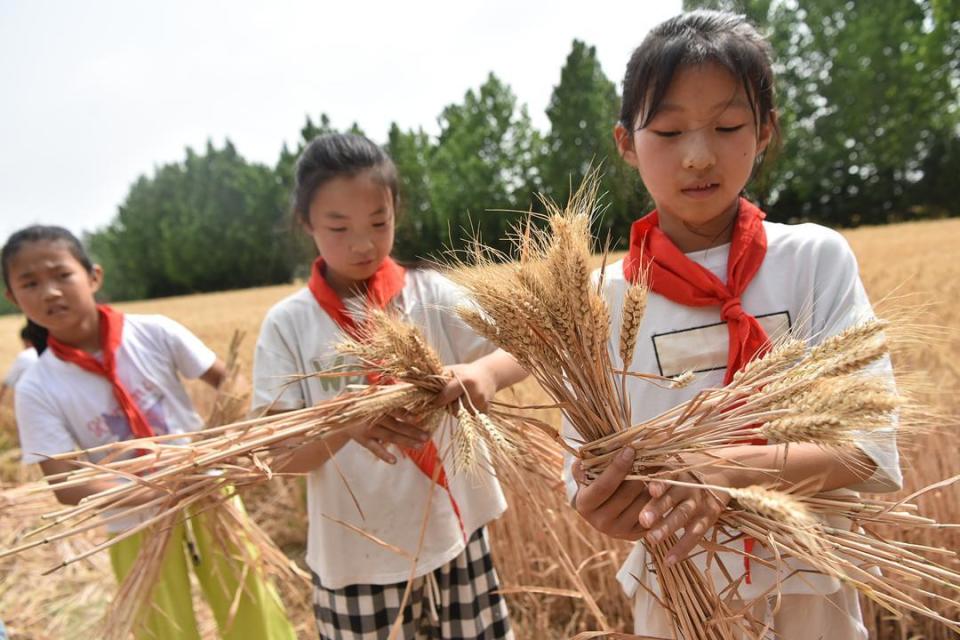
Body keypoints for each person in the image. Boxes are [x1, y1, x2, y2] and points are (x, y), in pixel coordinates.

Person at [566, 10, 902, 639]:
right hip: (678, 596)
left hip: (813, 589)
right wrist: (601, 503)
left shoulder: (813, 261)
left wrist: (727, 469)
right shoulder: (599, 299)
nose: (698, 156)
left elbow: (867, 448)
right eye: (669, 131)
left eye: (726, 127)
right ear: (626, 143)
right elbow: (583, 471)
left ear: (765, 129)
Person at [252, 132, 526, 640]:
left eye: (379, 223)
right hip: (356, 557)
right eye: (339, 227)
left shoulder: (430, 294)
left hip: (455, 532)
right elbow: (279, 453)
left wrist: (487, 373)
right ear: (306, 222)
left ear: (396, 210)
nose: (363, 244)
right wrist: (343, 422)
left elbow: (526, 346)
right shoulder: (289, 324)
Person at [2, 225, 297, 640]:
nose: (49, 292)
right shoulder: (37, 386)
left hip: (210, 492)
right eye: (30, 283)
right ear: (13, 298)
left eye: (61, 275)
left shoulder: (154, 332)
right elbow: (66, 484)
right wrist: (158, 489)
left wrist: (218, 442)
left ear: (93, 276)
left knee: (253, 607)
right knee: (161, 626)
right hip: (132, 522)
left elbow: (230, 380)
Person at [0, 325, 38, 404]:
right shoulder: (50, 353)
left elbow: (8, 381)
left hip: (31, 401)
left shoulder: (24, 355)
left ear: (26, 341)